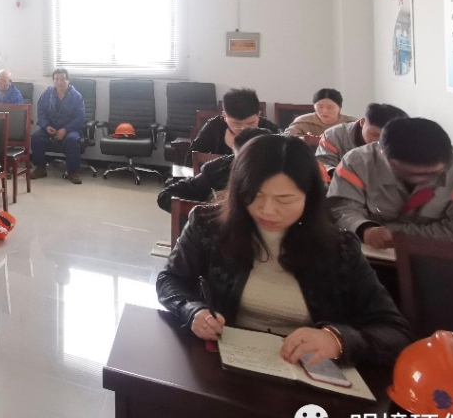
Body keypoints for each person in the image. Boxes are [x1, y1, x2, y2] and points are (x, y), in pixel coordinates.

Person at [157, 134, 413, 367]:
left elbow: (394, 331)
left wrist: (337, 340)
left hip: (308, 371)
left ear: (309, 197)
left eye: (284, 200)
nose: (268, 210)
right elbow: (170, 280)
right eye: (254, 195)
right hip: (227, 363)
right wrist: (193, 310)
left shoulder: (340, 248)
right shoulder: (209, 224)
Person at [328, 117, 453, 247]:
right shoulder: (357, 162)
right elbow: (341, 209)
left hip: (442, 259)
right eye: (407, 172)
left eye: (432, 173)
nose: (419, 179)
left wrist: (393, 233)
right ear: (382, 153)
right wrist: (363, 228)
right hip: (370, 256)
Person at [156, 128, 270, 213]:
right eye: (237, 158)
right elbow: (166, 196)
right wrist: (209, 212)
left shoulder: (277, 178)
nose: (239, 165)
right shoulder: (220, 168)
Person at [30, 68, 86, 184]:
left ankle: (73, 172)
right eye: (56, 79)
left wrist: (65, 129)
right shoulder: (47, 94)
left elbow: (80, 118)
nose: (59, 82)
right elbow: (41, 113)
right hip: (51, 128)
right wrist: (46, 126)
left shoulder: (76, 96)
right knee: (36, 137)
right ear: (53, 81)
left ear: (68, 80)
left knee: (72, 140)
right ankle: (40, 168)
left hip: (70, 129)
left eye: (62, 79)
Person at [316, 102, 408, 172]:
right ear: (362, 122)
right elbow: (323, 167)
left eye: (387, 137)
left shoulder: (402, 138)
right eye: (374, 134)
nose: (380, 141)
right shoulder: (333, 135)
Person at [191, 88, 280, 155]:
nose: (243, 128)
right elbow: (191, 160)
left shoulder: (270, 131)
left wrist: (236, 148)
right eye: (236, 124)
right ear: (224, 116)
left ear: (259, 115)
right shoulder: (214, 126)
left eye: (250, 123)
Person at [285, 88, 357, 139]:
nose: (324, 111)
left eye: (329, 107)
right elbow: (288, 138)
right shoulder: (303, 122)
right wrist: (306, 139)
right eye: (320, 107)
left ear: (340, 108)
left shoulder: (351, 123)